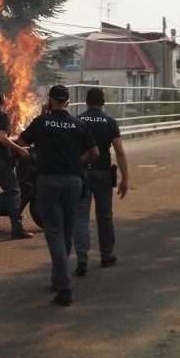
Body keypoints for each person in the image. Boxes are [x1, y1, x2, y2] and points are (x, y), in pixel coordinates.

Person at [18, 85, 98, 306]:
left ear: (50, 100)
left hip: (48, 181)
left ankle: (64, 286)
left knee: (54, 233)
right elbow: (94, 153)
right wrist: (77, 163)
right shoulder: (78, 124)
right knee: (67, 232)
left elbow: (21, 142)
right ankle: (57, 277)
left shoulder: (42, 122)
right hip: (73, 181)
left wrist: (44, 116)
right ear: (69, 102)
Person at [73, 87, 129, 276]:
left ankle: (82, 258)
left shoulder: (78, 120)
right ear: (103, 102)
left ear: (86, 101)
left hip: (82, 173)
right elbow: (119, 151)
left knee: (81, 216)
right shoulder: (110, 122)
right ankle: (106, 255)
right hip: (103, 173)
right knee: (104, 216)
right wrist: (125, 179)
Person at [0, 89, 33, 240]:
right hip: (1, 162)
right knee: (14, 192)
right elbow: (2, 138)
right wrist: (20, 149)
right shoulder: (2, 116)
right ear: (4, 101)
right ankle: (17, 229)